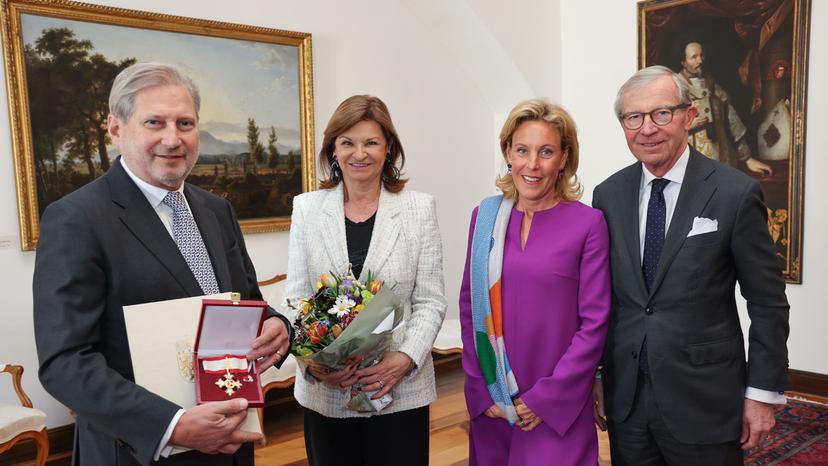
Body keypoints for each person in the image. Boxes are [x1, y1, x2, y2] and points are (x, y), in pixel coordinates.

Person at [33, 62, 293, 466]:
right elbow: (65, 363)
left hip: (230, 441)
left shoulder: (217, 210)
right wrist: (171, 425)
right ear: (116, 129)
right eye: (154, 122)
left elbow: (247, 303)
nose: (173, 139)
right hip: (138, 452)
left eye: (185, 123)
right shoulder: (76, 218)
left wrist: (278, 325)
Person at [592, 65, 790, 465]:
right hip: (627, 402)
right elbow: (602, 298)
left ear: (690, 116)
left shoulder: (735, 193)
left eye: (661, 113)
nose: (647, 128)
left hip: (705, 401)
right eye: (634, 117)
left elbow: (767, 302)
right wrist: (597, 374)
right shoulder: (607, 195)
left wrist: (762, 393)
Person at [282, 95, 447, 466]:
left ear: (388, 147)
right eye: (348, 142)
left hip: (400, 391)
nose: (360, 153)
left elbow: (430, 300)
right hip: (327, 396)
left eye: (371, 142)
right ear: (333, 150)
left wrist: (404, 358)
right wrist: (312, 363)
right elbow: (295, 297)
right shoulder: (307, 209)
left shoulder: (419, 209)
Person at [459, 99, 611, 465]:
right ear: (507, 153)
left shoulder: (588, 224)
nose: (532, 164)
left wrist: (546, 399)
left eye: (546, 152)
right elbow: (470, 307)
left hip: (555, 409)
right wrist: (483, 392)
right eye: (522, 150)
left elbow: (595, 324)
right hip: (494, 404)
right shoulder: (485, 217)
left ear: (563, 158)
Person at [679, 41, 773, 176]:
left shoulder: (711, 83)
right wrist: (686, 125)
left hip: (720, 159)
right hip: (688, 165)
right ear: (683, 62)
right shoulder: (675, 86)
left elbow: (732, 120)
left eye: (702, 56)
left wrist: (747, 158)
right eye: (694, 57)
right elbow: (663, 124)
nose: (700, 60)